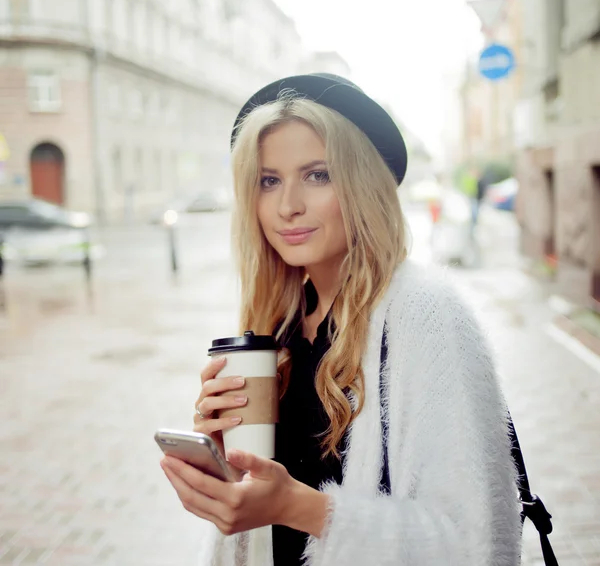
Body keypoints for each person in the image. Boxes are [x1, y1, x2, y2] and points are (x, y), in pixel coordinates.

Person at [159, 74, 522, 565]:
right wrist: (227, 462)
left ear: (361, 184)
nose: (288, 206)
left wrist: (300, 507)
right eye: (269, 181)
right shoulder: (280, 326)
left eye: (317, 175)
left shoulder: (425, 312)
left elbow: (475, 541)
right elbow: (269, 498)